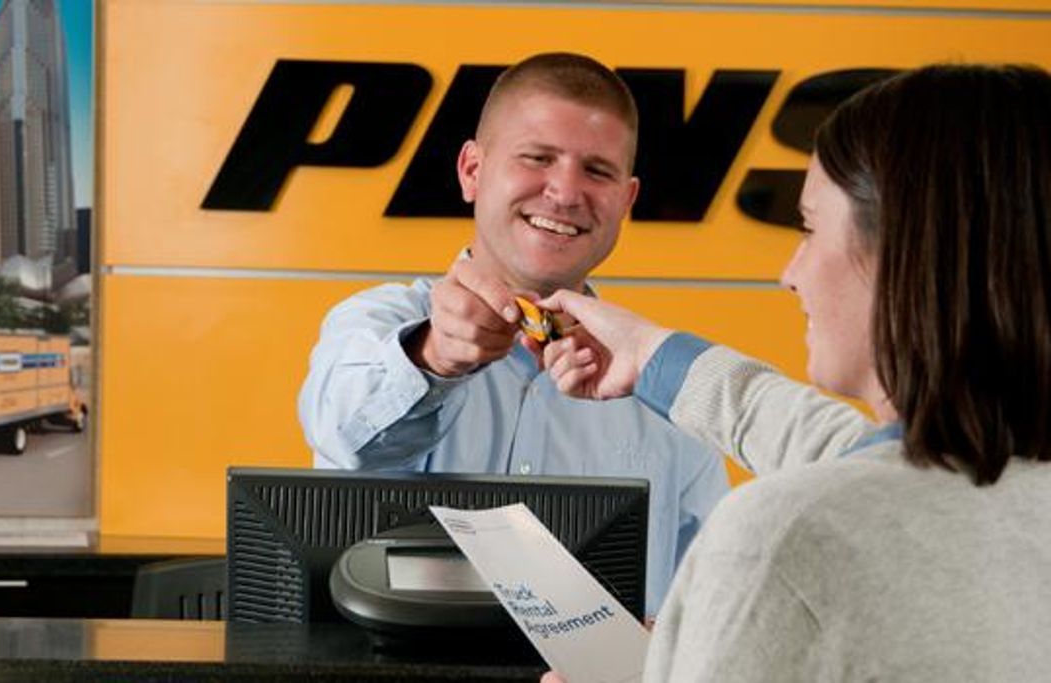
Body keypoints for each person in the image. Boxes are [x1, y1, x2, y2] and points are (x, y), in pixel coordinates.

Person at [539, 63, 1051, 682]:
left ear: (905, 256)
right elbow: (854, 459)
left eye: (808, 228)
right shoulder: (994, 494)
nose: (791, 272)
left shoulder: (787, 537)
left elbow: (848, 497)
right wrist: (649, 353)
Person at [297, 52, 729, 616]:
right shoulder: (377, 325)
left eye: (597, 171)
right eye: (537, 158)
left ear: (626, 201)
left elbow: (711, 612)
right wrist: (433, 358)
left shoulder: (662, 390)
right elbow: (344, 434)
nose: (566, 192)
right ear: (472, 171)